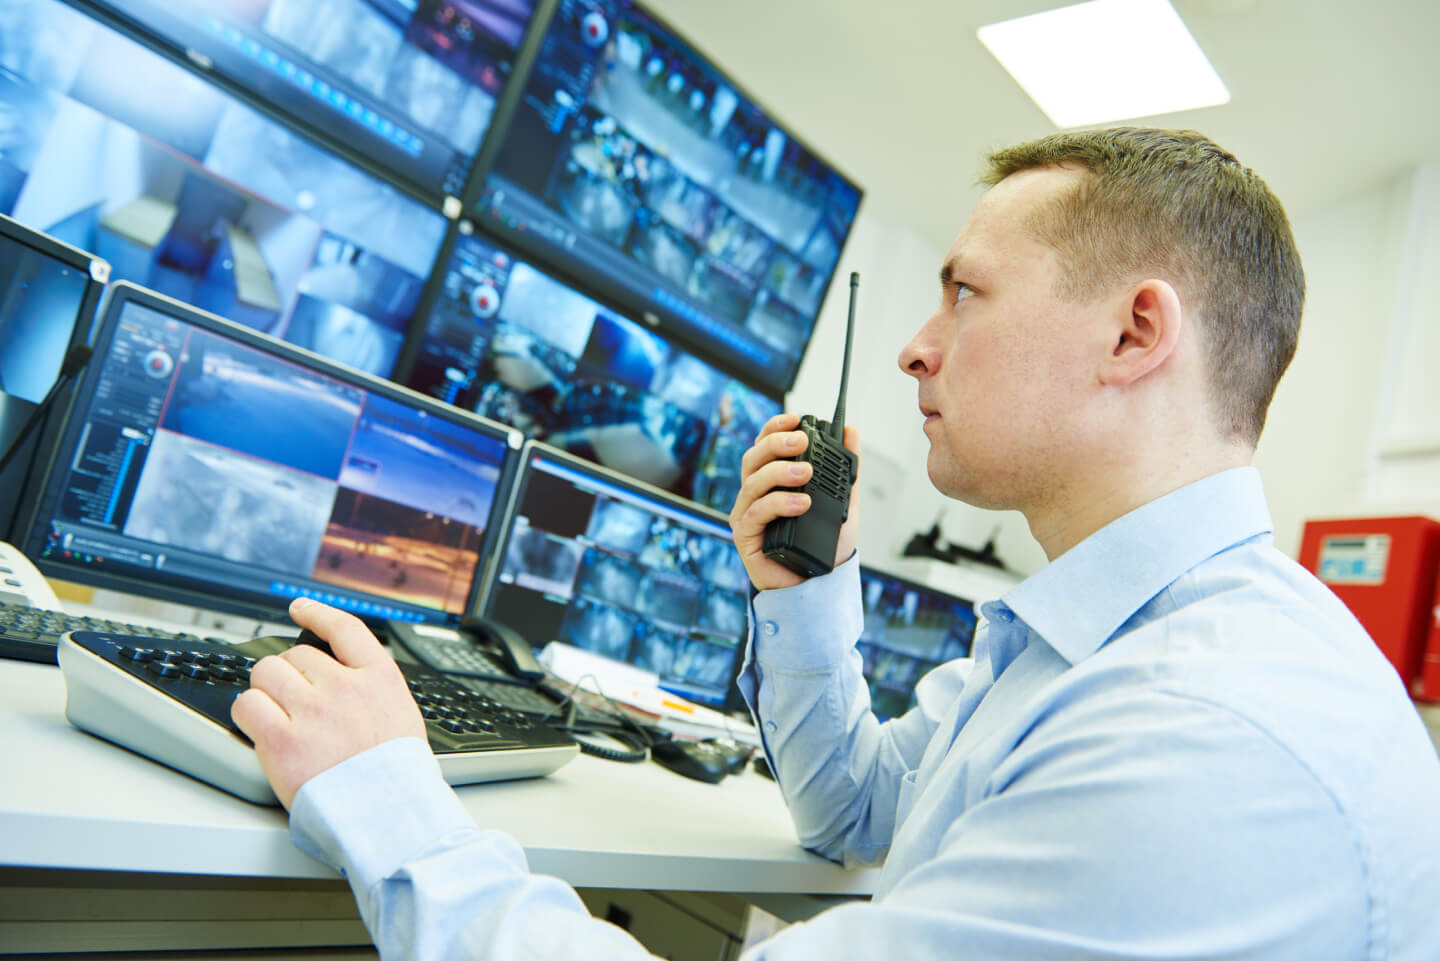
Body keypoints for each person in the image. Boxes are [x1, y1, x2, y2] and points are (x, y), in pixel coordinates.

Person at [233, 127, 1440, 960]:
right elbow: (861, 813)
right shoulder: (1092, 642)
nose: (919, 345)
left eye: (965, 291)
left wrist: (390, 796)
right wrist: (804, 594)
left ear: (1133, 335)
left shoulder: (1199, 732)